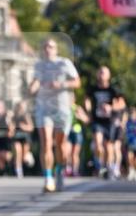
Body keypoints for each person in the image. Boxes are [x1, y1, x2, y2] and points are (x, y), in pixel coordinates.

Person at [29, 37, 80, 192]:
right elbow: (35, 82)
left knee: (61, 145)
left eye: (50, 46)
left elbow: (77, 82)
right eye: (45, 46)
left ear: (56, 49)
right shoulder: (39, 65)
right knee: (45, 143)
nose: (47, 49)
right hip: (44, 108)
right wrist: (32, 88)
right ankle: (48, 178)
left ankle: (59, 171)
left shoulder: (64, 63)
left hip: (62, 109)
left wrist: (62, 84)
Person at [85, 66, 122, 179]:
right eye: (100, 72)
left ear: (108, 76)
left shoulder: (112, 89)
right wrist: (88, 110)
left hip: (109, 121)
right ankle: (99, 164)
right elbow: (87, 99)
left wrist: (110, 107)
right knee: (98, 143)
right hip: (97, 120)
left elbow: (122, 103)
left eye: (104, 73)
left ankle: (108, 166)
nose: (101, 74)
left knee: (109, 146)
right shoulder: (93, 89)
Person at [11, 100, 34, 178]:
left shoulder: (26, 116)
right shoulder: (13, 116)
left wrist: (24, 127)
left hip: (25, 138)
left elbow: (31, 127)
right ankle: (18, 170)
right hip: (16, 137)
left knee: (24, 157)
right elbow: (11, 128)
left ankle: (28, 157)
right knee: (18, 152)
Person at [67, 104, 88, 177]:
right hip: (67, 131)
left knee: (75, 153)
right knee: (67, 152)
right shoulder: (65, 107)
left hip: (77, 132)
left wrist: (79, 116)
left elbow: (86, 120)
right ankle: (68, 168)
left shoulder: (78, 108)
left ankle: (75, 170)